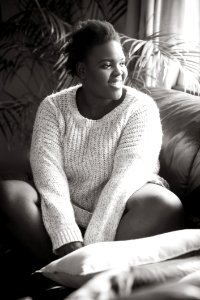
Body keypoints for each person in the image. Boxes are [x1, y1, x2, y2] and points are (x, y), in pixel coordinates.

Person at [0, 19, 184, 265]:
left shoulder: (140, 108)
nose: (119, 72)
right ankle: (59, 270)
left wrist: (94, 243)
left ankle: (84, 270)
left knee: (164, 203)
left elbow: (127, 176)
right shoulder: (53, 107)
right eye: (107, 65)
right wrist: (66, 235)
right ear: (83, 71)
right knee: (10, 193)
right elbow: (48, 172)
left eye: (121, 63)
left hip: (122, 208)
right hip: (63, 206)